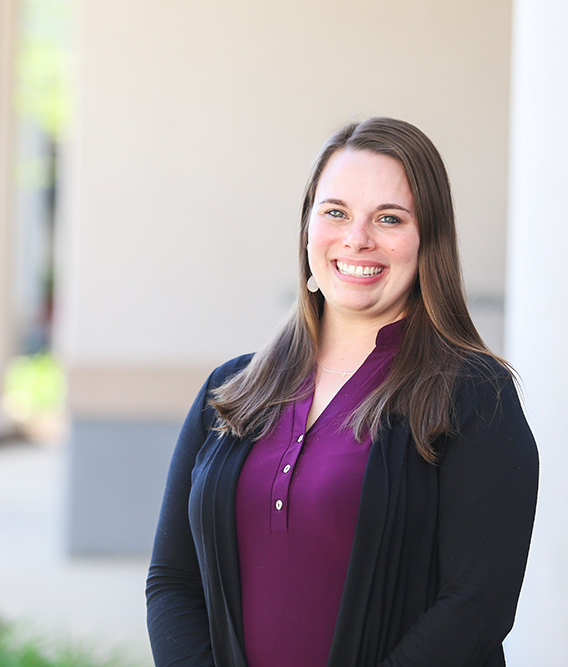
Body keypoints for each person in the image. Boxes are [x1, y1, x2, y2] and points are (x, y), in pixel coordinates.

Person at [145, 117, 539, 666]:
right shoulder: (229, 391)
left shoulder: (474, 395)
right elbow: (171, 580)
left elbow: (477, 605)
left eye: (389, 218)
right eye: (336, 212)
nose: (358, 238)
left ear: (429, 240)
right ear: (307, 226)